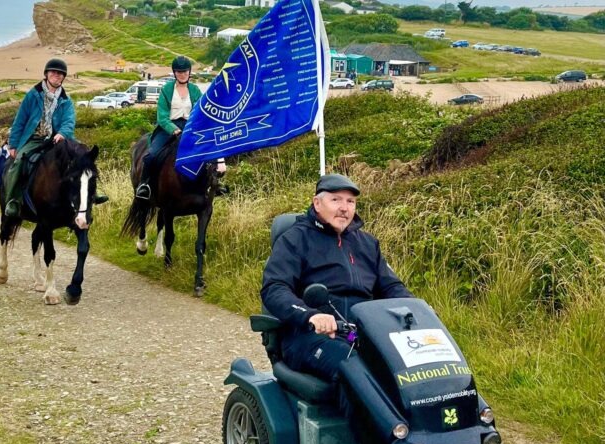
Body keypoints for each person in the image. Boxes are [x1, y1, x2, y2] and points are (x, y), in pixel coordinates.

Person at [261, 173, 412, 385]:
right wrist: (311, 316)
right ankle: (379, 420)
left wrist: (417, 309)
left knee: (418, 363)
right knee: (355, 370)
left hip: (358, 335)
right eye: (336, 200)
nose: (344, 207)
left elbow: (392, 287)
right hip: (310, 336)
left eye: (350, 201)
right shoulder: (295, 239)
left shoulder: (368, 244)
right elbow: (274, 288)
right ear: (317, 203)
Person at [3, 58, 107, 218]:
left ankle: (93, 194)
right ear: (46, 74)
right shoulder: (33, 95)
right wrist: (13, 145)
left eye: (60, 74)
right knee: (18, 163)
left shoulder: (66, 100)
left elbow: (69, 120)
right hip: (35, 138)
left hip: (58, 139)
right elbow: (20, 121)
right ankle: (13, 201)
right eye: (53, 72)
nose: (57, 76)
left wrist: (62, 133)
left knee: (85, 156)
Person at [135, 56, 228, 199]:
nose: (182, 74)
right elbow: (162, 117)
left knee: (209, 149)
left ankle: (213, 184)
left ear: (189, 72)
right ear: (174, 73)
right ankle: (144, 185)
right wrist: (174, 130)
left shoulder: (195, 90)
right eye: (179, 72)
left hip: (190, 127)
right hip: (168, 127)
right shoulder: (166, 89)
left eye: (185, 71)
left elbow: (200, 112)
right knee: (152, 155)